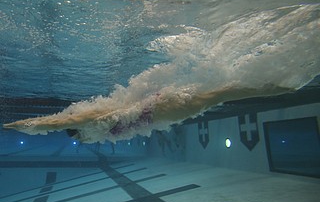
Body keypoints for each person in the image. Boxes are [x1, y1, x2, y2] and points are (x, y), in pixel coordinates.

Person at [3, 83, 292, 143]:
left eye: (80, 138)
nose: (84, 141)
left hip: (160, 110)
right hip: (158, 110)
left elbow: (57, 122)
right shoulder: (96, 129)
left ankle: (282, 85)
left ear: (80, 130)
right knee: (218, 93)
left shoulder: (90, 121)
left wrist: (19, 124)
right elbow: (64, 125)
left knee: (222, 94)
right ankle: (276, 85)